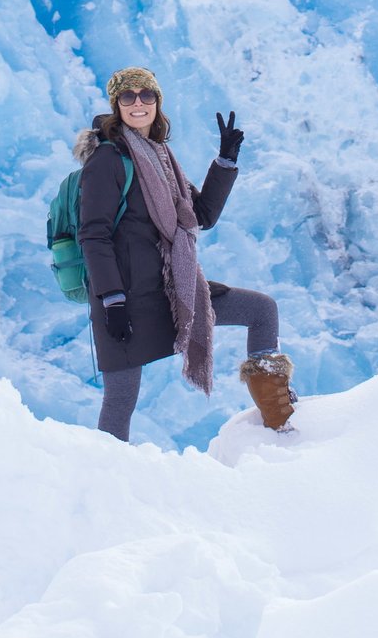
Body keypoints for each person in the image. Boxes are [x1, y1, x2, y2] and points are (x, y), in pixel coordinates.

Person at [75, 65, 296, 438]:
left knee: (261, 310)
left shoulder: (160, 156)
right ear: (116, 105)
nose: (138, 103)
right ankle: (105, 471)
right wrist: (112, 299)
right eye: (128, 96)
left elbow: (201, 216)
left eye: (146, 95)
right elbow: (93, 236)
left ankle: (278, 420)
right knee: (120, 400)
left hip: (173, 291)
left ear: (157, 102)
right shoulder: (107, 160)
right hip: (125, 299)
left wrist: (225, 161)